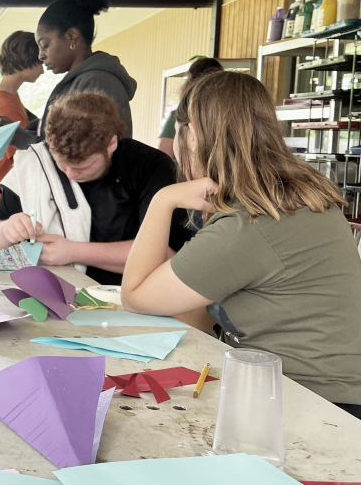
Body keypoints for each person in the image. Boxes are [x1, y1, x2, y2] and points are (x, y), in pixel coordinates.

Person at [122, 71, 361, 417]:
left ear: (193, 139)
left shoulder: (249, 223)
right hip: (329, 395)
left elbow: (134, 295)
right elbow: (198, 314)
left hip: (314, 404)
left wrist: (163, 200)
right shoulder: (292, 196)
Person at [0, 91, 189, 286]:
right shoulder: (38, 162)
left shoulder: (151, 167)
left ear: (111, 144)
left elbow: (166, 256)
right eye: (62, 165)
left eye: (83, 167)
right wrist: (7, 229)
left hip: (129, 298)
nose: (71, 175)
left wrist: (74, 252)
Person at [35, 0, 137, 137]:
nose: (41, 55)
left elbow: (83, 151)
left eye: (45, 45)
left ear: (72, 37)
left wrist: (26, 141)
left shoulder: (96, 83)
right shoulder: (82, 81)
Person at [0, 31, 44, 198]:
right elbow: (22, 159)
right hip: (12, 198)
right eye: (40, 62)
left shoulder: (3, 96)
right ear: (27, 60)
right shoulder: (4, 106)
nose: (43, 71)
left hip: (7, 195)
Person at [157, 58, 225, 159]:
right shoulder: (228, 115)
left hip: (183, 173)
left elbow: (162, 156)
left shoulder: (179, 116)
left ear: (190, 82)